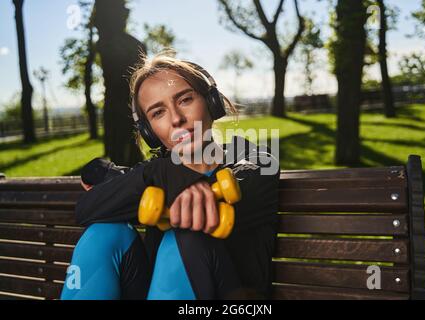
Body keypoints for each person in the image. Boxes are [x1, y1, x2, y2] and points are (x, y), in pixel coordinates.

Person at [64, 53, 280, 300]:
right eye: (158, 113)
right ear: (150, 132)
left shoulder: (255, 160)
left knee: (186, 233)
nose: (176, 119)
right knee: (104, 234)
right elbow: (86, 209)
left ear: (211, 102)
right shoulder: (158, 172)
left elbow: (248, 175)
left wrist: (159, 177)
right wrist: (156, 172)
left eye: (185, 99)